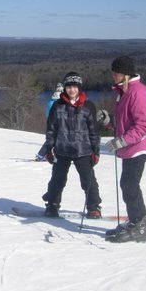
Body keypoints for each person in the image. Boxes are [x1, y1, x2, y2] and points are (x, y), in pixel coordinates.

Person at [104, 56, 146, 243]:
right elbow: (124, 123)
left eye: (116, 73)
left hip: (138, 147)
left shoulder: (138, 92)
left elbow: (144, 126)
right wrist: (109, 122)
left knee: (130, 185)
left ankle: (141, 226)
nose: (113, 76)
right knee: (127, 185)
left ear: (125, 74)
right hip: (130, 147)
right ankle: (136, 223)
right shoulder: (124, 92)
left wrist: (122, 141)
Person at [36, 72, 102, 218]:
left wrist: (96, 151)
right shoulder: (57, 106)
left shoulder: (88, 106)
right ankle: (52, 205)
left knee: (89, 180)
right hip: (62, 150)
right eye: (69, 87)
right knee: (57, 180)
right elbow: (51, 130)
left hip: (83, 150)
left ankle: (93, 207)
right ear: (65, 88)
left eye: (74, 87)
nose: (72, 90)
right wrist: (48, 149)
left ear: (79, 88)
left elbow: (94, 131)